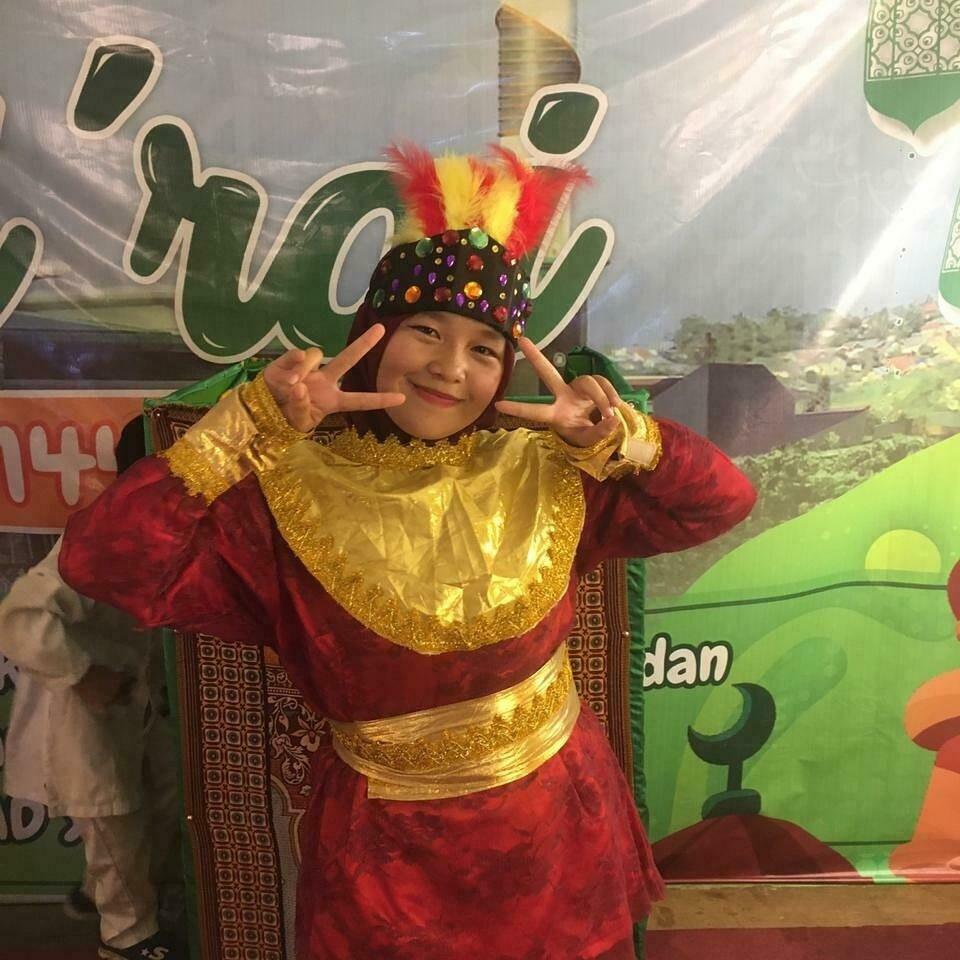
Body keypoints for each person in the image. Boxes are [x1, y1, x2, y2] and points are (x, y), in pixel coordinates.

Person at [58, 144, 756, 960]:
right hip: (386, 859)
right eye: (426, 330)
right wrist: (244, 430)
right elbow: (104, 564)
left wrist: (621, 439)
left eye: (484, 349)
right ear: (376, 333)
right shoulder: (282, 494)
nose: (449, 368)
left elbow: (723, 500)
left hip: (559, 826)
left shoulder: (553, 472)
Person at [0, 420, 183, 960]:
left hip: (133, 701)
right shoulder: (103, 533)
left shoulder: (164, 528)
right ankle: (127, 940)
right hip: (83, 710)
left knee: (162, 806)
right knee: (114, 820)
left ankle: (100, 895)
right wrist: (84, 675)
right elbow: (20, 616)